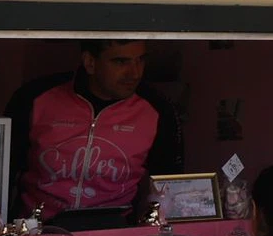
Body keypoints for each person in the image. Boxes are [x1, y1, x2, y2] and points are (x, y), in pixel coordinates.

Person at [12, 36, 175, 225]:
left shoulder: (155, 111)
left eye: (141, 60)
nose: (135, 73)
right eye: (121, 62)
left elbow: (167, 187)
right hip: (37, 230)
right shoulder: (37, 100)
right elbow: (5, 173)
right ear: (90, 62)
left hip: (115, 233)